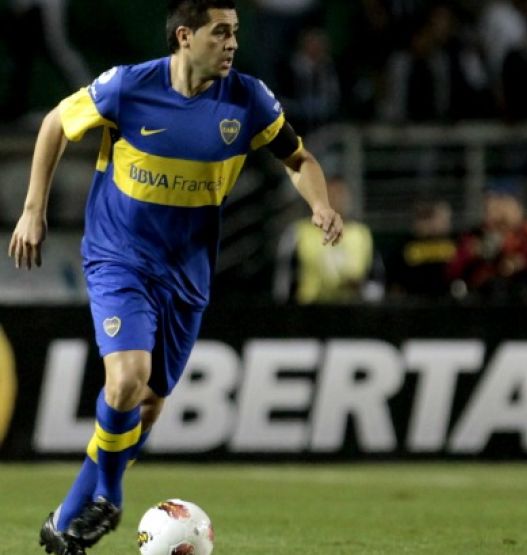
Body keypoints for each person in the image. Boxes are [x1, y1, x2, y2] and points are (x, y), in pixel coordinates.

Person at [7, 2, 343, 553]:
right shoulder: (127, 87)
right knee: (125, 379)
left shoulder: (248, 100)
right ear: (185, 36)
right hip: (119, 256)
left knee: (147, 406)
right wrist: (33, 209)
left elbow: (300, 160)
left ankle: (65, 519)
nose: (233, 43)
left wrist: (321, 205)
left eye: (235, 32)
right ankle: (109, 499)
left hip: (187, 271)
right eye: (221, 33)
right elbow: (53, 125)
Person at [446, 179, 527, 299]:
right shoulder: (475, 235)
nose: (494, 209)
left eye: (501, 202)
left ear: (517, 206)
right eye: (489, 203)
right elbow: (452, 271)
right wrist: (474, 254)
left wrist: (521, 263)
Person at [274, 176, 379, 304]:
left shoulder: (361, 235)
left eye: (340, 195)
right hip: (309, 313)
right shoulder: (298, 233)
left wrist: (360, 287)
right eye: (330, 195)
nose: (336, 200)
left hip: (352, 313)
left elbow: (377, 285)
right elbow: (284, 283)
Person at [386, 199, 457, 297]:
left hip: (445, 300)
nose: (424, 223)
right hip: (414, 300)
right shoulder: (405, 245)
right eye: (420, 218)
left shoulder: (452, 243)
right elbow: (394, 278)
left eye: (427, 218)